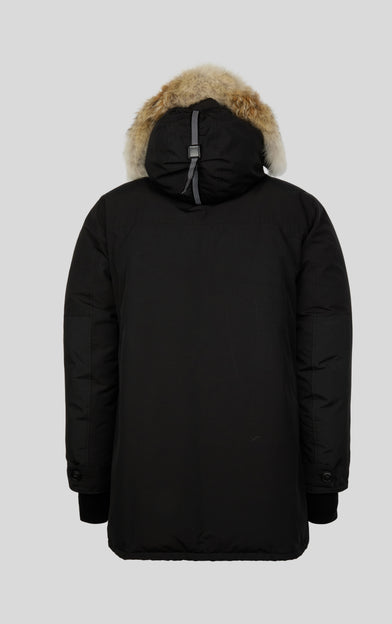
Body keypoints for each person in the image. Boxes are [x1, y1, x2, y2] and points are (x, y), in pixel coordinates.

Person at [63, 63, 353, 561]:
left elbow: (89, 365)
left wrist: (92, 486)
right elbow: (322, 363)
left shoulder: (112, 216)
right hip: (269, 504)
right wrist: (322, 485)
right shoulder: (299, 214)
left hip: (143, 506)